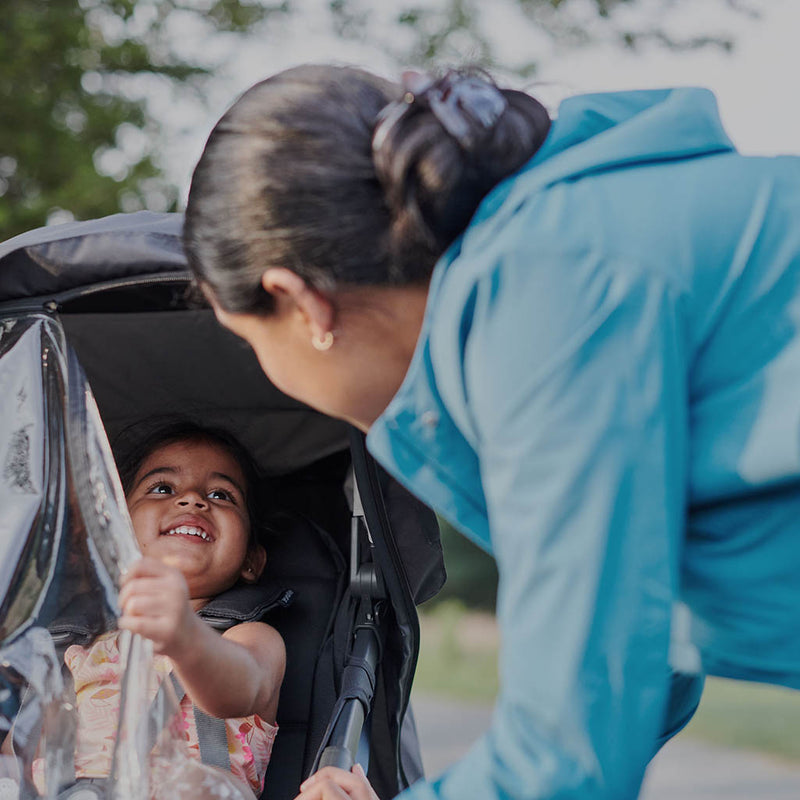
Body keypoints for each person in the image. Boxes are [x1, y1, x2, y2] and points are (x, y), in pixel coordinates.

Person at [182, 64, 800, 800]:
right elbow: (627, 652)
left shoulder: (545, 299)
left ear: (301, 304)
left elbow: (565, 759)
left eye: (251, 342)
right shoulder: (563, 240)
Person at [44, 421, 286, 799]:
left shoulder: (250, 639)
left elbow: (240, 690)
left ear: (251, 561)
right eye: (163, 488)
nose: (192, 500)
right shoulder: (80, 647)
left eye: (221, 495)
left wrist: (185, 636)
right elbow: (22, 749)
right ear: (116, 535)